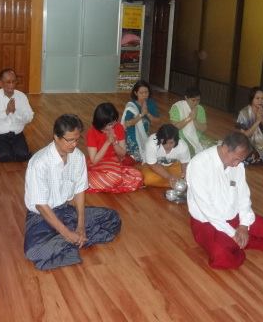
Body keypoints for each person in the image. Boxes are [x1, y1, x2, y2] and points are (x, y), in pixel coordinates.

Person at [23, 114, 122, 270]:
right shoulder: (39, 163)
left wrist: (81, 225)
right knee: (33, 252)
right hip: (42, 216)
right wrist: (67, 234)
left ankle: (72, 240)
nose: (74, 144)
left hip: (66, 211)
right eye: (69, 140)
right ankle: (72, 239)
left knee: (112, 218)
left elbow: (79, 191)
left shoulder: (78, 157)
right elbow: (41, 206)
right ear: (56, 137)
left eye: (77, 139)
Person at [186, 133, 263, 269]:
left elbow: (244, 196)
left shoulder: (238, 165)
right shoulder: (199, 164)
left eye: (241, 160)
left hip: (235, 217)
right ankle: (236, 243)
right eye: (236, 159)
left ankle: (238, 243)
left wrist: (244, 226)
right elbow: (207, 209)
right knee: (222, 257)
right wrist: (233, 233)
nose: (237, 164)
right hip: (208, 222)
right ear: (226, 148)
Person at [86, 102, 143, 193]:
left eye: (115, 121)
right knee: (114, 178)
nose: (113, 125)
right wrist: (107, 142)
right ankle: (107, 181)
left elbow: (122, 154)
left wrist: (114, 142)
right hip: (98, 165)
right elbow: (94, 160)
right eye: (110, 124)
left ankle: (108, 182)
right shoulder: (92, 133)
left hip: (114, 163)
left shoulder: (118, 127)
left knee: (137, 176)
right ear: (101, 123)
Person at [0, 68, 34, 162]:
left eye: (14, 81)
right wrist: (6, 112)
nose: (11, 85)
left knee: (23, 156)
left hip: (17, 135)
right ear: (0, 83)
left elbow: (29, 117)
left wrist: (16, 112)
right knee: (3, 157)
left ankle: (14, 149)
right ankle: (2, 148)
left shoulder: (22, 96)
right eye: (8, 82)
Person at [121, 80, 161, 162]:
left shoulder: (150, 103)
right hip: (132, 136)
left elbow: (157, 121)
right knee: (139, 158)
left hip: (145, 134)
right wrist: (141, 115)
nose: (144, 95)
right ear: (136, 93)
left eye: (146, 92)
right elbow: (127, 124)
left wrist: (147, 113)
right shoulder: (131, 106)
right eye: (141, 93)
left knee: (155, 154)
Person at [169, 87, 215, 157]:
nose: (196, 103)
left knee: (212, 150)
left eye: (198, 100)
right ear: (186, 98)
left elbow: (203, 128)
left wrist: (194, 119)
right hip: (181, 137)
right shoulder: (177, 107)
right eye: (193, 100)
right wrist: (189, 118)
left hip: (197, 136)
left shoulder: (200, 109)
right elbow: (175, 128)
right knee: (191, 154)